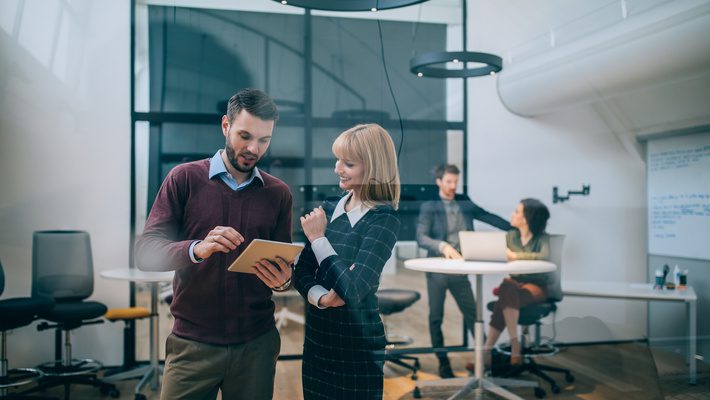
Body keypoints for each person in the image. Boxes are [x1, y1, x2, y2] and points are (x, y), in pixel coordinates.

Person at [136, 88, 294, 400]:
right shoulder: (184, 179)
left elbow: (284, 266)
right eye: (244, 135)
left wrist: (284, 279)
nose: (253, 148)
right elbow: (146, 254)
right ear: (225, 126)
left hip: (257, 344)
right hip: (192, 345)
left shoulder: (279, 194)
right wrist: (197, 248)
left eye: (264, 140)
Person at [294, 123, 401, 400]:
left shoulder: (383, 219)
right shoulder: (329, 208)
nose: (337, 168)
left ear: (373, 167)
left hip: (358, 348)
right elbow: (302, 271)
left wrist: (319, 240)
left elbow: (353, 290)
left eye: (348, 163)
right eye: (338, 159)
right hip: (318, 340)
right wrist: (321, 297)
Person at [416, 164, 511, 378]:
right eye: (448, 181)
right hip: (438, 270)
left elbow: (487, 216)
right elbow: (421, 237)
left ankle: (485, 360)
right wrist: (443, 246)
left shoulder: (464, 201)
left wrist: (515, 228)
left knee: (472, 315)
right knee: (436, 317)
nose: (453, 186)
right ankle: (443, 363)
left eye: (455, 182)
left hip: (461, 268)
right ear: (439, 181)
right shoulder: (430, 206)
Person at [482, 198, 552, 367]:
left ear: (527, 218)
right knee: (507, 288)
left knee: (504, 296)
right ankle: (511, 348)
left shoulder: (543, 238)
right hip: (514, 286)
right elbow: (500, 253)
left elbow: (543, 256)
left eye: (517, 212)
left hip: (537, 287)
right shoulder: (511, 236)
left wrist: (515, 256)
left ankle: (487, 352)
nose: (512, 215)